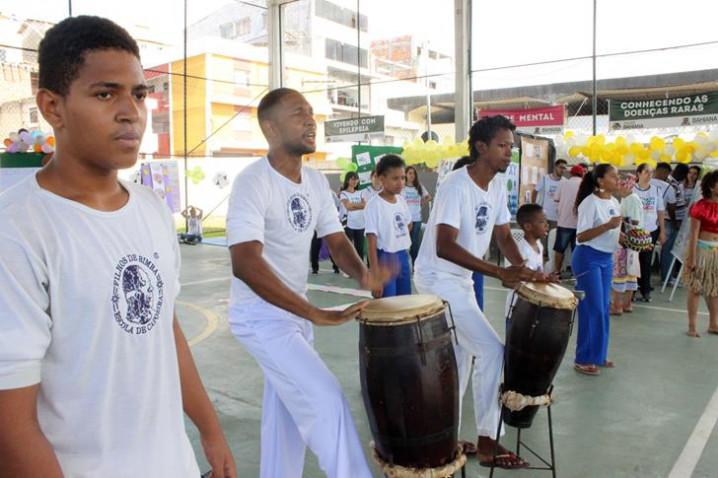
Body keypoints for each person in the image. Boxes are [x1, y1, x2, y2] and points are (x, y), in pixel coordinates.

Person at [0, 16, 236, 477]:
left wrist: (209, 431)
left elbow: (165, 329)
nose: (132, 112)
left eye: (140, 94)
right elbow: (10, 426)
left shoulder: (149, 208)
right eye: (105, 94)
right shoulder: (18, 229)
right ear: (52, 106)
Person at [226, 88, 392, 478]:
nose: (310, 120)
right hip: (260, 317)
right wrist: (314, 313)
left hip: (294, 314)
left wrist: (364, 275)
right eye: (299, 113)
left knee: (286, 414)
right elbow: (244, 262)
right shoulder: (253, 182)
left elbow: (335, 240)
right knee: (325, 400)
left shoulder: (316, 182)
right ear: (270, 127)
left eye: (311, 113)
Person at [414, 115, 547, 469]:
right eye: (503, 146)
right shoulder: (456, 185)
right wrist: (500, 271)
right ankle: (489, 442)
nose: (509, 152)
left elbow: (503, 235)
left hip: (459, 280)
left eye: (511, 146)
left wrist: (526, 270)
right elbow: (444, 245)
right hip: (437, 278)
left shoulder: (498, 185)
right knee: (491, 351)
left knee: (461, 359)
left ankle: (447, 439)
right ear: (481, 147)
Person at [572, 164, 622, 376]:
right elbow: (581, 237)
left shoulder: (614, 202)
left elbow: (614, 231)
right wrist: (607, 226)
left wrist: (628, 238)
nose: (617, 180)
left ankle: (599, 354)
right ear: (600, 180)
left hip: (605, 258)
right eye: (613, 177)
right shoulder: (589, 203)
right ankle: (583, 358)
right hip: (588, 257)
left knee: (603, 306)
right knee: (591, 308)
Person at [366, 154, 413, 297]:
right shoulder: (374, 205)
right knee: (388, 304)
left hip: (403, 256)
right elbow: (371, 242)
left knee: (404, 302)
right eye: (395, 178)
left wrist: (397, 236)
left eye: (402, 178)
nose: (400, 182)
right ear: (382, 179)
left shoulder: (401, 200)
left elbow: (408, 224)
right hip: (384, 259)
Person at [683, 170, 718, 338]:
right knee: (696, 288)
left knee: (714, 289)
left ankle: (713, 324)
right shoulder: (700, 206)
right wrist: (692, 258)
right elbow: (694, 233)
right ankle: (692, 326)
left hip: (716, 252)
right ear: (711, 187)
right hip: (700, 249)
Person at [504, 204, 549, 320]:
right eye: (541, 222)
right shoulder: (519, 251)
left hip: (532, 309)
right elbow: (507, 282)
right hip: (516, 310)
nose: (546, 225)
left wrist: (547, 279)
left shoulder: (539, 246)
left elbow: (538, 273)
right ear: (528, 226)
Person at [452, 155, 485, 310]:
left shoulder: (484, 197)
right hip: (454, 264)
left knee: (477, 304)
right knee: (455, 307)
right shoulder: (452, 197)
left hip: (476, 261)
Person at [633, 163, 666, 302]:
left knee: (646, 262)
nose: (649, 175)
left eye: (651, 172)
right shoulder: (632, 190)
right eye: (646, 172)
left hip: (650, 230)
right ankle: (632, 290)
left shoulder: (656, 190)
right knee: (634, 261)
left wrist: (662, 231)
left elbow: (660, 211)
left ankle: (645, 290)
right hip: (634, 231)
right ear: (639, 173)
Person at [611, 174, 643, 315]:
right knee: (630, 273)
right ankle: (626, 304)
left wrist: (620, 220)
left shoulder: (632, 199)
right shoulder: (626, 198)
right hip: (631, 241)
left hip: (626, 240)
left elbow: (634, 221)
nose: (618, 189)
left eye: (621, 186)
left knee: (620, 272)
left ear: (627, 186)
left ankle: (618, 306)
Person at [552, 164, 585, 275]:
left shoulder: (563, 183)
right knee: (577, 251)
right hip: (580, 224)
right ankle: (576, 275)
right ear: (582, 174)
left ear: (571, 173)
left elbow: (556, 199)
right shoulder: (584, 185)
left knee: (559, 249)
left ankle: (557, 272)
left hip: (564, 222)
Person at [660, 163, 688, 283]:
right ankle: (666, 278)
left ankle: (668, 276)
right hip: (671, 221)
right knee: (668, 250)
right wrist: (675, 221)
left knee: (669, 249)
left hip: (672, 220)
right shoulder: (673, 184)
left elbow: (677, 203)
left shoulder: (675, 184)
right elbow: (671, 207)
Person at [402, 165, 432, 264]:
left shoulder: (419, 187)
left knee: (414, 243)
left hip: (417, 218)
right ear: (405, 174)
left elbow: (428, 197)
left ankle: (415, 264)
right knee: (405, 243)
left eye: (413, 173)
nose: (412, 175)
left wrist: (422, 203)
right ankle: (405, 264)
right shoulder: (402, 187)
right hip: (405, 220)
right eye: (409, 173)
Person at [532, 158, 567, 229]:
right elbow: (535, 191)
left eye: (564, 168)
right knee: (543, 237)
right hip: (544, 215)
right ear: (555, 167)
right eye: (561, 167)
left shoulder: (565, 182)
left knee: (553, 238)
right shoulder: (545, 179)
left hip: (557, 217)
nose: (562, 170)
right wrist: (534, 205)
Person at [339, 171, 366, 260]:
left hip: (360, 224)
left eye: (356, 179)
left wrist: (353, 206)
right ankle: (349, 269)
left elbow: (364, 205)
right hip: (348, 224)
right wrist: (359, 206)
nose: (355, 181)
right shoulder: (343, 193)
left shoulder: (360, 193)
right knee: (349, 248)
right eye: (353, 179)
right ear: (347, 180)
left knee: (360, 248)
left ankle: (361, 269)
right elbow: (348, 207)